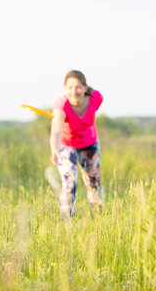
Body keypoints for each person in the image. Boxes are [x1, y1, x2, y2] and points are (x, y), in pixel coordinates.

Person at [50, 70, 104, 218]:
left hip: (89, 143)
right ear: (65, 88)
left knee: (93, 182)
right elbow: (56, 130)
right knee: (70, 182)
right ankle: (68, 222)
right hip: (67, 145)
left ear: (85, 88)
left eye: (78, 87)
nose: (74, 91)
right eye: (70, 87)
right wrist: (54, 148)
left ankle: (99, 218)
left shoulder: (95, 98)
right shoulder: (61, 106)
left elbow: (96, 100)